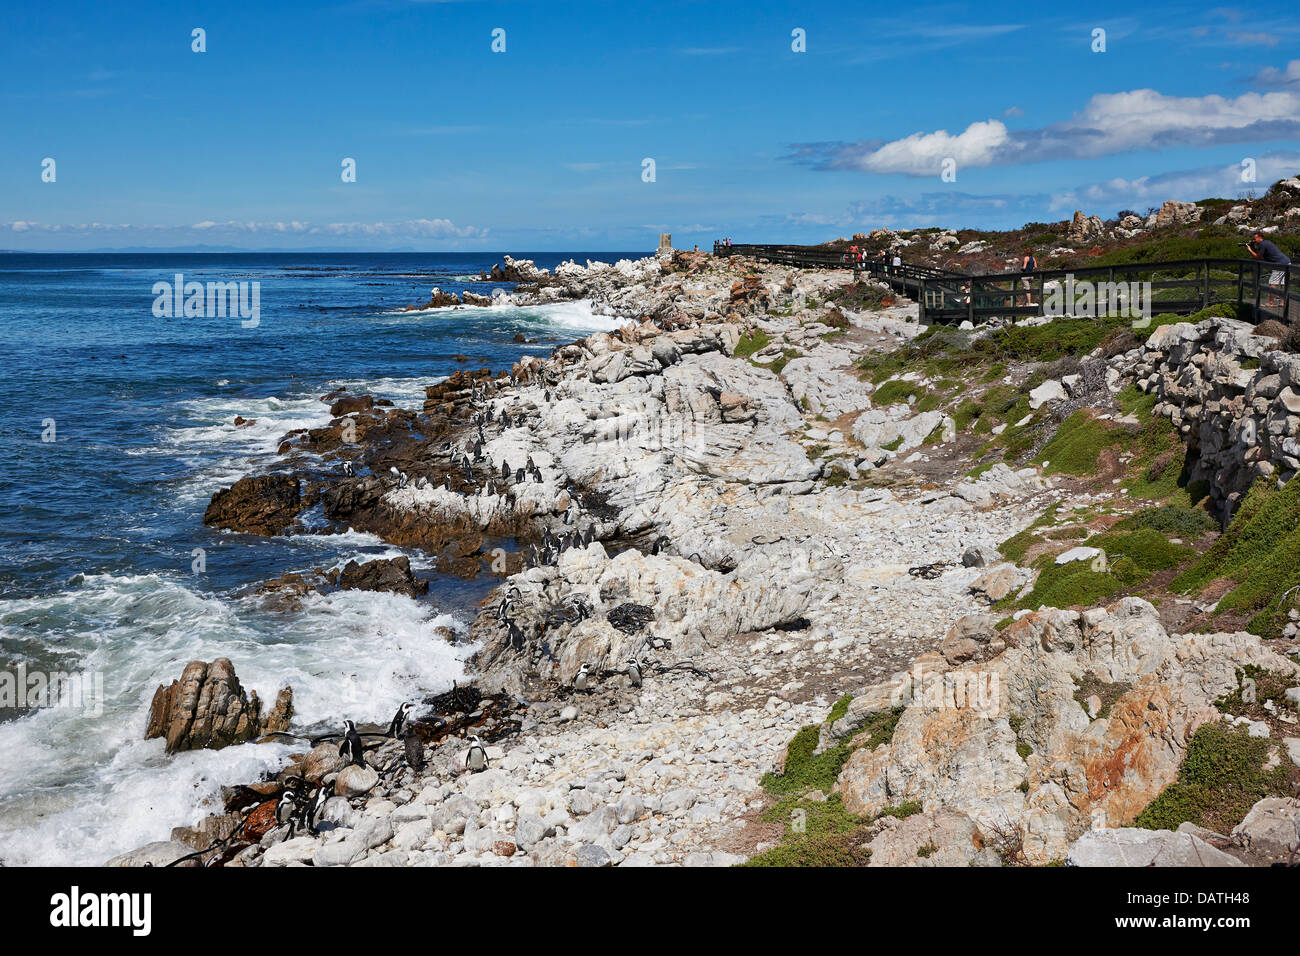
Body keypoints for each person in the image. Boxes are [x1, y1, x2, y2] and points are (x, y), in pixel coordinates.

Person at [1247, 232, 1291, 310]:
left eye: (1255, 239)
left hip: (1279, 264)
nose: (1254, 240)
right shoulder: (1266, 243)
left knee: (1272, 283)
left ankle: (1271, 302)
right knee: (1283, 283)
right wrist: (1253, 246)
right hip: (1286, 262)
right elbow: (1260, 253)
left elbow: (1257, 257)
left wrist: (1249, 250)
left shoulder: (1262, 245)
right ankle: (1282, 302)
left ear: (1260, 238)